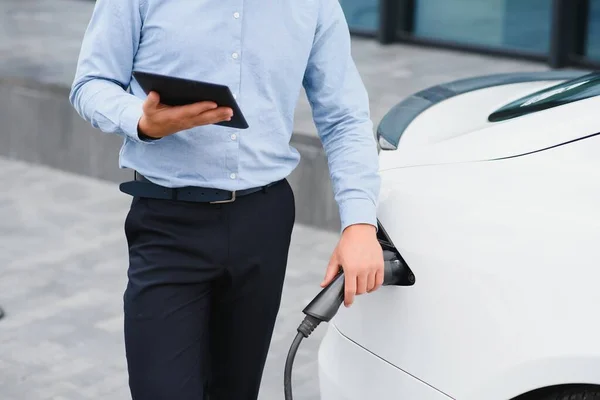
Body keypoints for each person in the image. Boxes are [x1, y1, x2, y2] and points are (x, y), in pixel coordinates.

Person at [69, 1, 383, 399]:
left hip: (263, 221)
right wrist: (141, 120)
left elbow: (344, 118)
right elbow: (90, 83)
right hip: (167, 222)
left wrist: (359, 223)